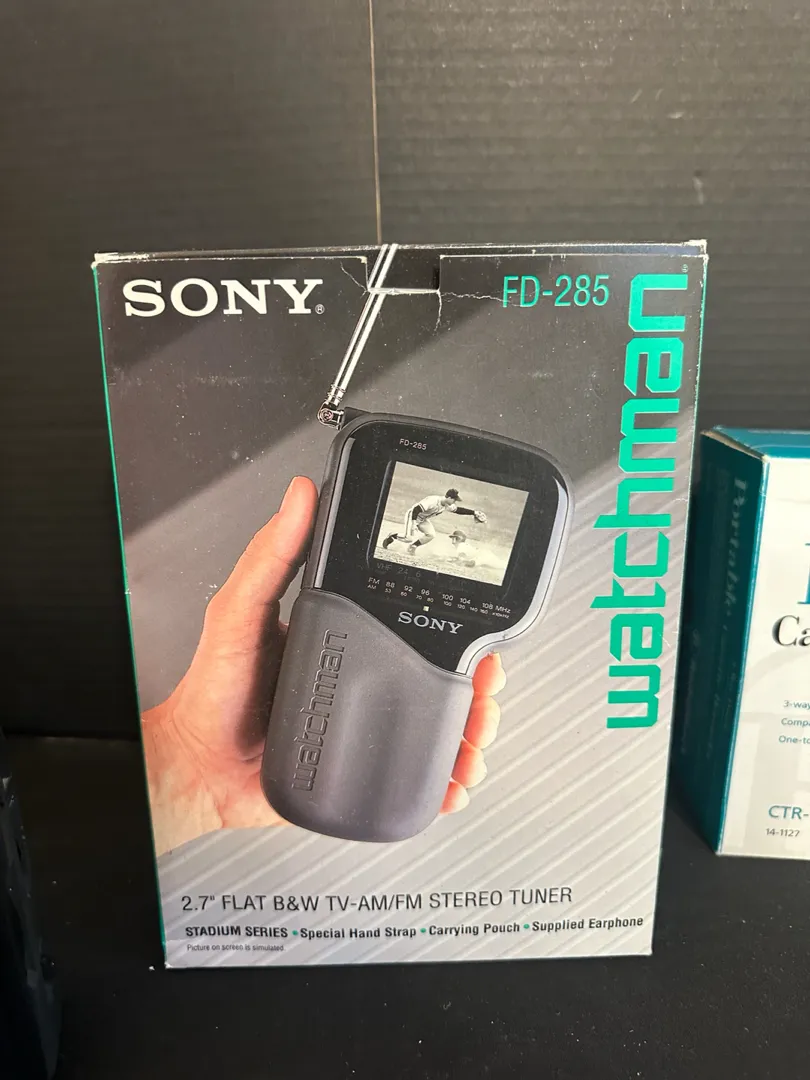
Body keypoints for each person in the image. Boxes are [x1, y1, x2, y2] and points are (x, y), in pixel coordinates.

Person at [142, 477, 506, 856]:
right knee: (414, 535)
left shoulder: (448, 506)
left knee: (425, 541)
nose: (453, 504)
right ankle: (396, 541)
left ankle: (406, 544)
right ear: (446, 496)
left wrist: (192, 765)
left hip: (233, 782)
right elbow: (418, 510)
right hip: (409, 522)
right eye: (453, 500)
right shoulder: (431, 499)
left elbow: (459, 510)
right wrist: (189, 757)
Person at [382, 487, 487, 555]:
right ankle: (392, 535)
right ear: (449, 497)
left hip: (423, 519)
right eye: (454, 499)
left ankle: (413, 546)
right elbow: (416, 509)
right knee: (408, 538)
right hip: (412, 515)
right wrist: (413, 523)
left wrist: (473, 512)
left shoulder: (447, 504)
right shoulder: (433, 500)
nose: (455, 502)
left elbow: (459, 510)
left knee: (431, 535)